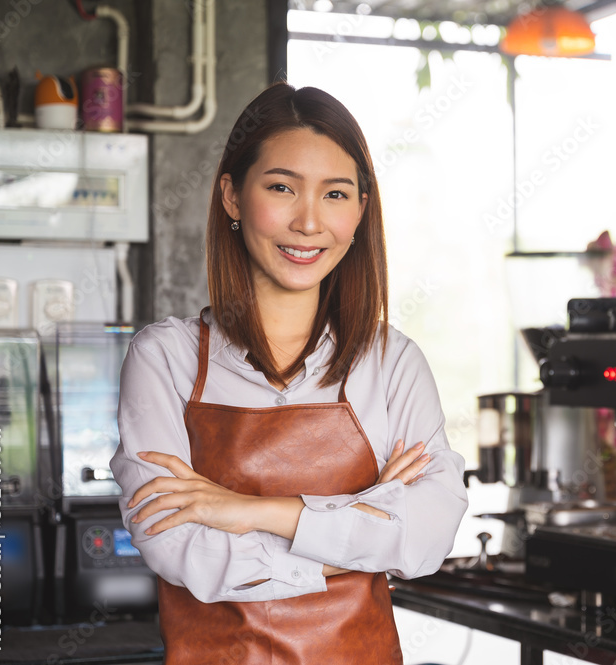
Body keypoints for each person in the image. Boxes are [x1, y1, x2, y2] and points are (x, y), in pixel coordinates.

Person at [109, 83, 469, 664]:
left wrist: (249, 510)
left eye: (335, 194)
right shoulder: (164, 359)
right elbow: (177, 547)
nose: (308, 222)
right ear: (231, 195)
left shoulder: (392, 362)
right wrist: (365, 523)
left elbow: (427, 538)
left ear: (360, 210)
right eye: (282, 188)